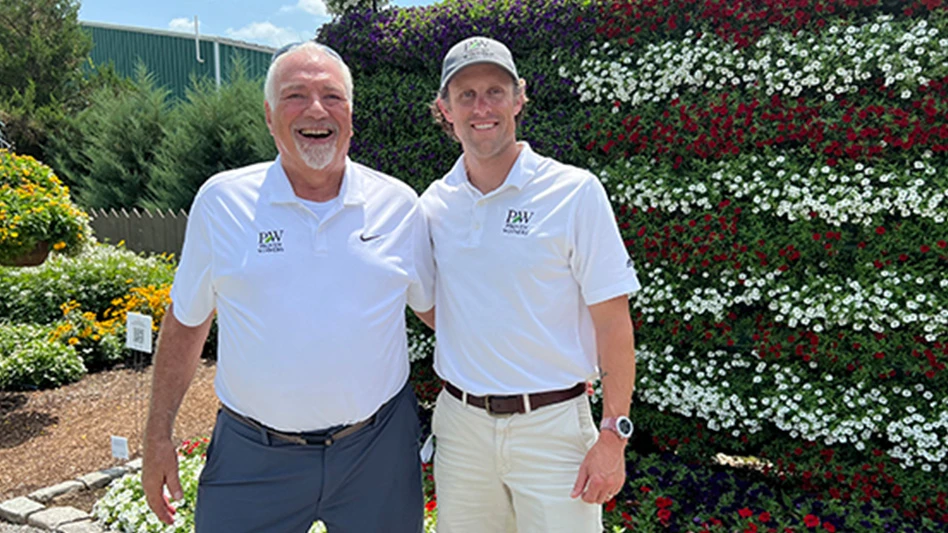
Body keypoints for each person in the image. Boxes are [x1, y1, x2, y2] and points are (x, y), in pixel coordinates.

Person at [142, 41, 434, 533]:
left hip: (376, 453)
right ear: (269, 115)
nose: (316, 109)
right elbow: (187, 322)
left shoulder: (400, 205)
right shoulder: (221, 202)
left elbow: (442, 313)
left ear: (351, 115)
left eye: (333, 96)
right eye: (296, 95)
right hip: (252, 459)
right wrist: (157, 436)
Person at [417, 36, 640, 532]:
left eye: (495, 91)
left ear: (519, 98)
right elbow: (431, 305)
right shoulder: (433, 204)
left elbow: (613, 321)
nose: (482, 107)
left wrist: (613, 433)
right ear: (444, 109)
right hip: (462, 428)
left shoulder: (574, 191)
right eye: (466, 95)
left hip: (555, 428)